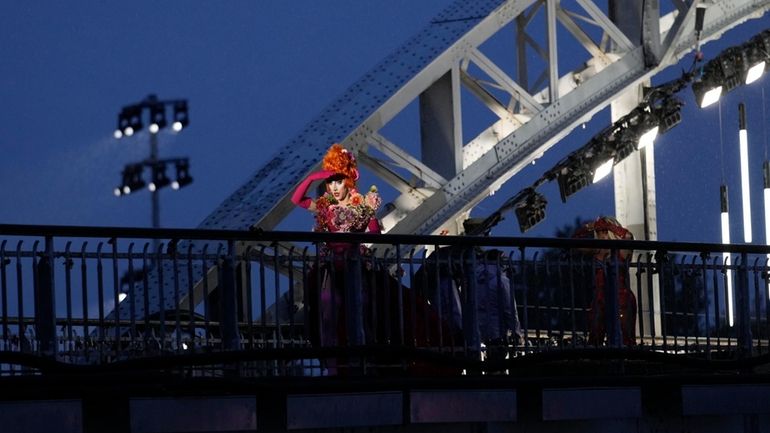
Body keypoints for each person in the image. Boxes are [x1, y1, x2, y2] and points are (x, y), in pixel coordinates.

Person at [291, 144, 382, 353]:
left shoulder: (363, 204)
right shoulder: (325, 205)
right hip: (332, 265)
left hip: (355, 263)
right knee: (328, 306)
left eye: (338, 181)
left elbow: (375, 233)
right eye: (330, 182)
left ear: (348, 181)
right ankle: (333, 355)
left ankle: (364, 352)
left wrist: (353, 241)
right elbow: (297, 200)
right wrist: (313, 177)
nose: (333, 187)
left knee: (361, 305)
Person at [573, 216, 637, 347]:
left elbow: (628, 236)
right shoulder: (597, 249)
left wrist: (608, 226)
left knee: (625, 336)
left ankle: (626, 361)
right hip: (600, 297)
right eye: (599, 231)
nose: (602, 234)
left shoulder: (622, 250)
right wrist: (588, 227)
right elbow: (574, 242)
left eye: (604, 231)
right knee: (596, 336)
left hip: (621, 297)